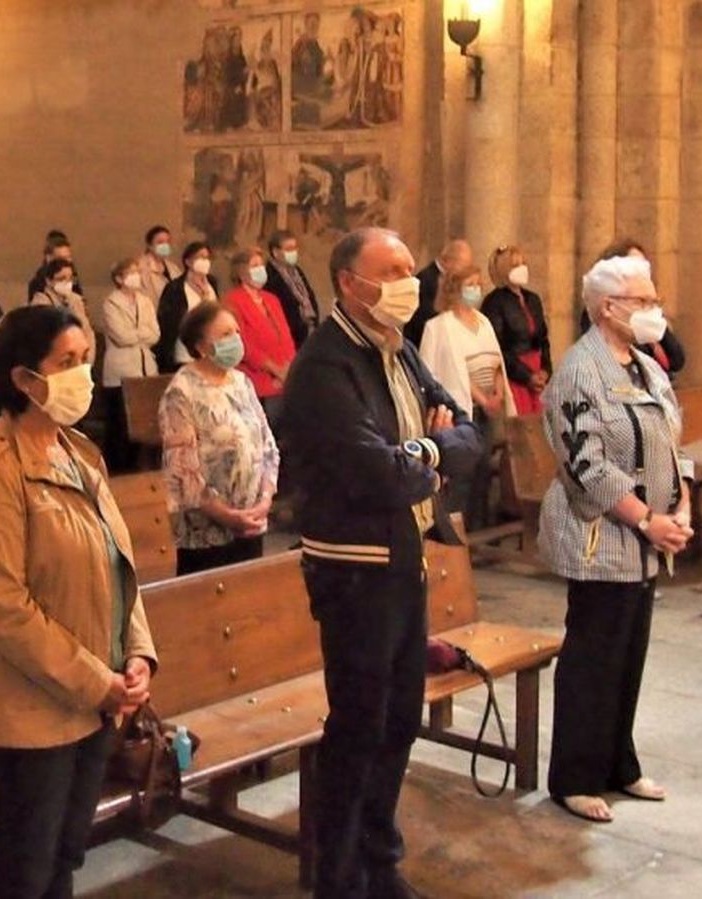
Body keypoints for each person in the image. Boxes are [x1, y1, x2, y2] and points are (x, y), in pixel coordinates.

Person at [279, 227, 482, 897]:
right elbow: (376, 472)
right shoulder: (325, 365)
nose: (407, 282)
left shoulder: (396, 350)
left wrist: (426, 447)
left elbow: (468, 433)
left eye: (407, 268)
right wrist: (430, 451)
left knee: (398, 719)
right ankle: (339, 879)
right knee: (359, 725)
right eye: (391, 270)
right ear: (348, 282)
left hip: (404, 558)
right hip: (354, 567)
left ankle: (379, 860)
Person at [0, 305, 156, 899]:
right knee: (25, 870)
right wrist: (98, 681)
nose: (83, 377)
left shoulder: (80, 454)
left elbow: (119, 566)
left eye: (86, 361)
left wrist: (137, 654)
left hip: (92, 698)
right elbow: (2, 606)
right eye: (67, 363)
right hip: (25, 710)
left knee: (65, 857)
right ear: (23, 379)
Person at [539, 254, 693, 823]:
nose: (655, 310)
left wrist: (679, 507)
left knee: (629, 655)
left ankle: (618, 765)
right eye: (644, 301)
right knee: (593, 657)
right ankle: (574, 777)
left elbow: (671, 441)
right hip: (600, 535)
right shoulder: (581, 371)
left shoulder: (645, 365)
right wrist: (646, 519)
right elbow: (586, 465)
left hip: (646, 536)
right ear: (609, 308)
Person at [159, 302, 278, 574]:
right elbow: (182, 470)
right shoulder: (181, 392)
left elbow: (268, 446)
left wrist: (265, 499)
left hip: (252, 522)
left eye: (236, 332)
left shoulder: (241, 382)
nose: (235, 340)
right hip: (207, 534)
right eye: (225, 335)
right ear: (201, 346)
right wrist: (227, 515)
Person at [419, 265, 513, 530]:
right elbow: (435, 372)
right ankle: (453, 533)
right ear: (455, 288)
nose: (477, 289)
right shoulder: (438, 326)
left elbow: (496, 359)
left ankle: (477, 530)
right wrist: (482, 399)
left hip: (487, 411)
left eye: (478, 283)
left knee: (483, 472)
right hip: (461, 409)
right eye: (470, 284)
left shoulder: (483, 321)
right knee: (460, 473)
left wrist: (496, 393)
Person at [581, 241, 686, 378]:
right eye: (633, 267)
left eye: (643, 268)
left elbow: (677, 359)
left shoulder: (650, 309)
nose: (640, 273)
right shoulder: (601, 312)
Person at [100, 258, 161, 470]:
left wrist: (139, 334)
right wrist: (141, 334)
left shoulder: (145, 301)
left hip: (145, 369)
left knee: (142, 425)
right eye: (131, 272)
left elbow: (155, 334)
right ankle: (117, 470)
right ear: (119, 278)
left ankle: (138, 468)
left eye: (138, 271)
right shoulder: (111, 303)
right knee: (120, 428)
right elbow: (121, 336)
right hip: (121, 373)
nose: (137, 276)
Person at [223, 247, 297, 419]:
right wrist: (274, 369)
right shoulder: (232, 301)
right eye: (254, 265)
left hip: (285, 378)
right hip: (256, 379)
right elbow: (243, 344)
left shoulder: (271, 299)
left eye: (261, 265)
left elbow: (286, 335)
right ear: (241, 272)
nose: (260, 269)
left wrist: (290, 368)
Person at [482, 244, 552, 415]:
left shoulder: (533, 299)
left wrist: (545, 369)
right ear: (505, 270)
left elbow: (543, 339)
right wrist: (527, 377)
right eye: (515, 265)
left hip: (538, 372)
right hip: (515, 376)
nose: (522, 269)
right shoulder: (494, 302)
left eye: (523, 263)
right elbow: (498, 347)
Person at [155, 242, 219, 371]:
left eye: (207, 258)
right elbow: (168, 322)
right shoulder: (175, 288)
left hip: (211, 350)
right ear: (188, 261)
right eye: (200, 257)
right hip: (185, 353)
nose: (205, 261)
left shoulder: (212, 283)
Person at [410, 239, 473, 346]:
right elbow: (426, 318)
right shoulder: (427, 280)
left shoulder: (446, 278)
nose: (465, 271)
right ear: (446, 261)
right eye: (463, 265)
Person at [264, 229, 321, 346]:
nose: (294, 252)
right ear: (275, 252)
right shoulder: (269, 275)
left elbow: (309, 296)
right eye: (289, 249)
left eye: (295, 248)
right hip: (290, 334)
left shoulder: (296, 270)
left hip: (308, 330)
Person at [30, 258, 95, 355]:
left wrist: (88, 357)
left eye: (70, 279)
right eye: (61, 279)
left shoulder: (76, 300)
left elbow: (87, 330)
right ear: (49, 281)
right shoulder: (41, 302)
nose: (67, 283)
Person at [26, 231, 85, 300]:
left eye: (69, 257)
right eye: (62, 259)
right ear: (49, 258)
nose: (68, 261)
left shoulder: (74, 277)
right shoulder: (37, 284)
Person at [139, 225, 183, 302]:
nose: (165, 246)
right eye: (160, 242)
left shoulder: (173, 267)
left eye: (168, 242)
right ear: (150, 245)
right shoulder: (141, 267)